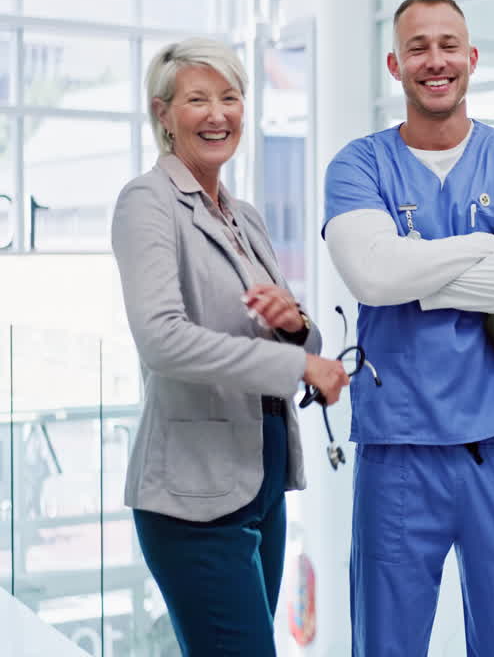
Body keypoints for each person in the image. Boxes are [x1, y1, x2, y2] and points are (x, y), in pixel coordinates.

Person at [323, 0, 494, 656]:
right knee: (388, 642)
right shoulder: (359, 165)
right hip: (398, 449)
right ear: (395, 65)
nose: (436, 60)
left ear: (472, 58)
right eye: (418, 47)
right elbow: (371, 276)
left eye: (448, 45)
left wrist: (416, 278)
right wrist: (484, 246)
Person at [112, 38, 349, 656]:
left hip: (258, 482)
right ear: (163, 113)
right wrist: (297, 362)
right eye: (197, 99)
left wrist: (294, 326)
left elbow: (301, 332)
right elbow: (162, 339)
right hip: (192, 497)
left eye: (230, 97)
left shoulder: (243, 216)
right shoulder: (148, 202)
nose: (218, 113)